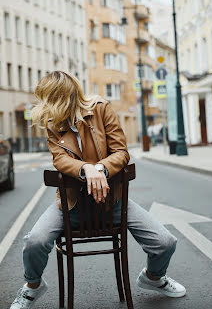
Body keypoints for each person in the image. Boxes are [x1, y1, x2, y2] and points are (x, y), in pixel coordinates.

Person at [10, 71, 186, 309]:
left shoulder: (101, 108)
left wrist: (101, 168)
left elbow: (122, 152)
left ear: (60, 98)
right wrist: (87, 169)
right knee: (34, 242)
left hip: (112, 202)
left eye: (47, 99)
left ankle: (154, 277)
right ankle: (32, 286)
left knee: (165, 242)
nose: (44, 106)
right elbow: (59, 160)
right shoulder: (52, 124)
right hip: (70, 205)